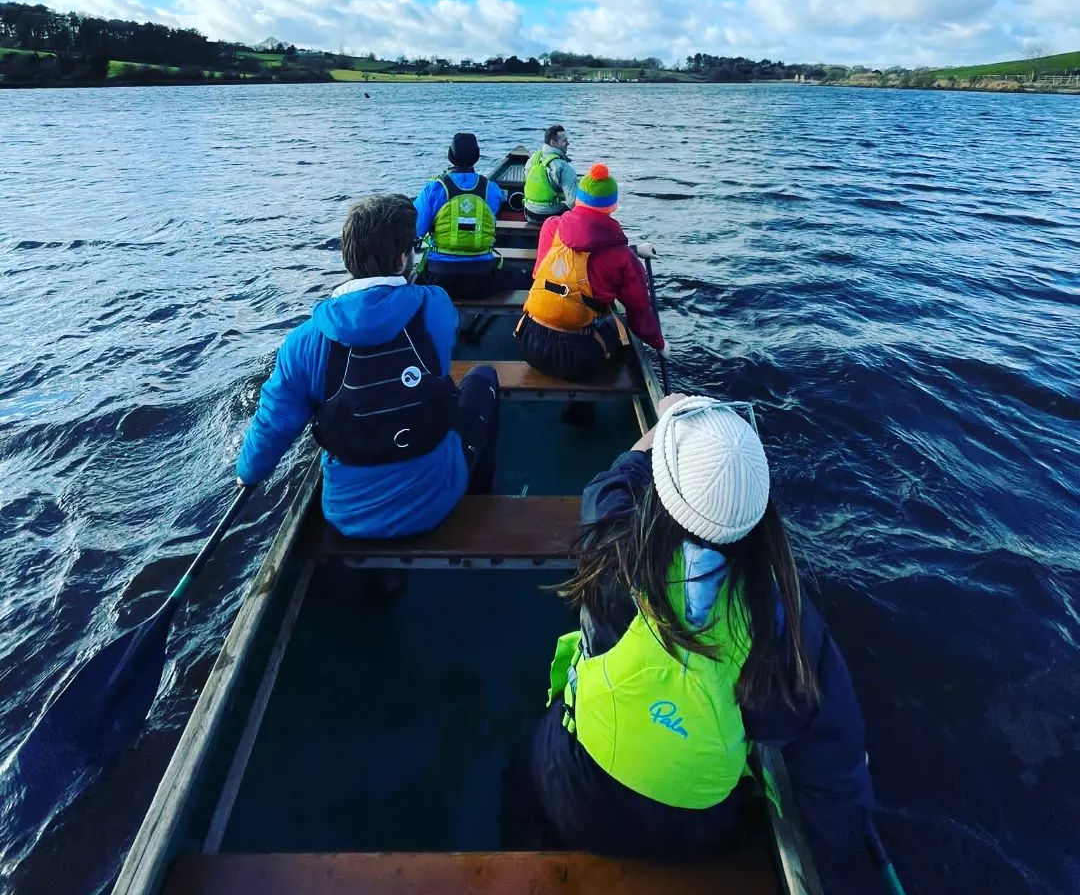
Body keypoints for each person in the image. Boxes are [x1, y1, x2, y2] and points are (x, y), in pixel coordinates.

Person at [504, 395, 879, 892]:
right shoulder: (785, 622)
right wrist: (846, 859)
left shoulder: (614, 547)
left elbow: (613, 480)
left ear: (659, 491)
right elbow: (831, 762)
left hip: (578, 792)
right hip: (691, 832)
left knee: (519, 770)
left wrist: (664, 427)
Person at [236, 194, 500, 539]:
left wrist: (248, 474)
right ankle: (478, 496)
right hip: (437, 497)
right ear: (403, 257)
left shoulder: (303, 341)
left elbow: (273, 423)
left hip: (347, 513)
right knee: (483, 377)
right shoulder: (436, 307)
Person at [515, 162, 664, 382]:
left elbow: (541, 273)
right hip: (578, 358)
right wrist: (660, 344)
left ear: (578, 200)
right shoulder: (622, 257)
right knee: (623, 340)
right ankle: (584, 409)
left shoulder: (551, 226)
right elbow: (639, 312)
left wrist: (634, 251)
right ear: (612, 207)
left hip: (529, 341)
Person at [414, 132, 529, 299]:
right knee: (522, 277)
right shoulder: (492, 190)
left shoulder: (434, 189)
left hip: (439, 276)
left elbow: (416, 230)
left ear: (450, 156)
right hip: (482, 276)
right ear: (477, 156)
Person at [523, 125, 578, 224]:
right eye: (564, 141)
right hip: (550, 216)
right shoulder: (563, 166)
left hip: (529, 214)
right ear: (553, 143)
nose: (568, 143)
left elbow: (528, 179)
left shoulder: (533, 158)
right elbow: (572, 202)